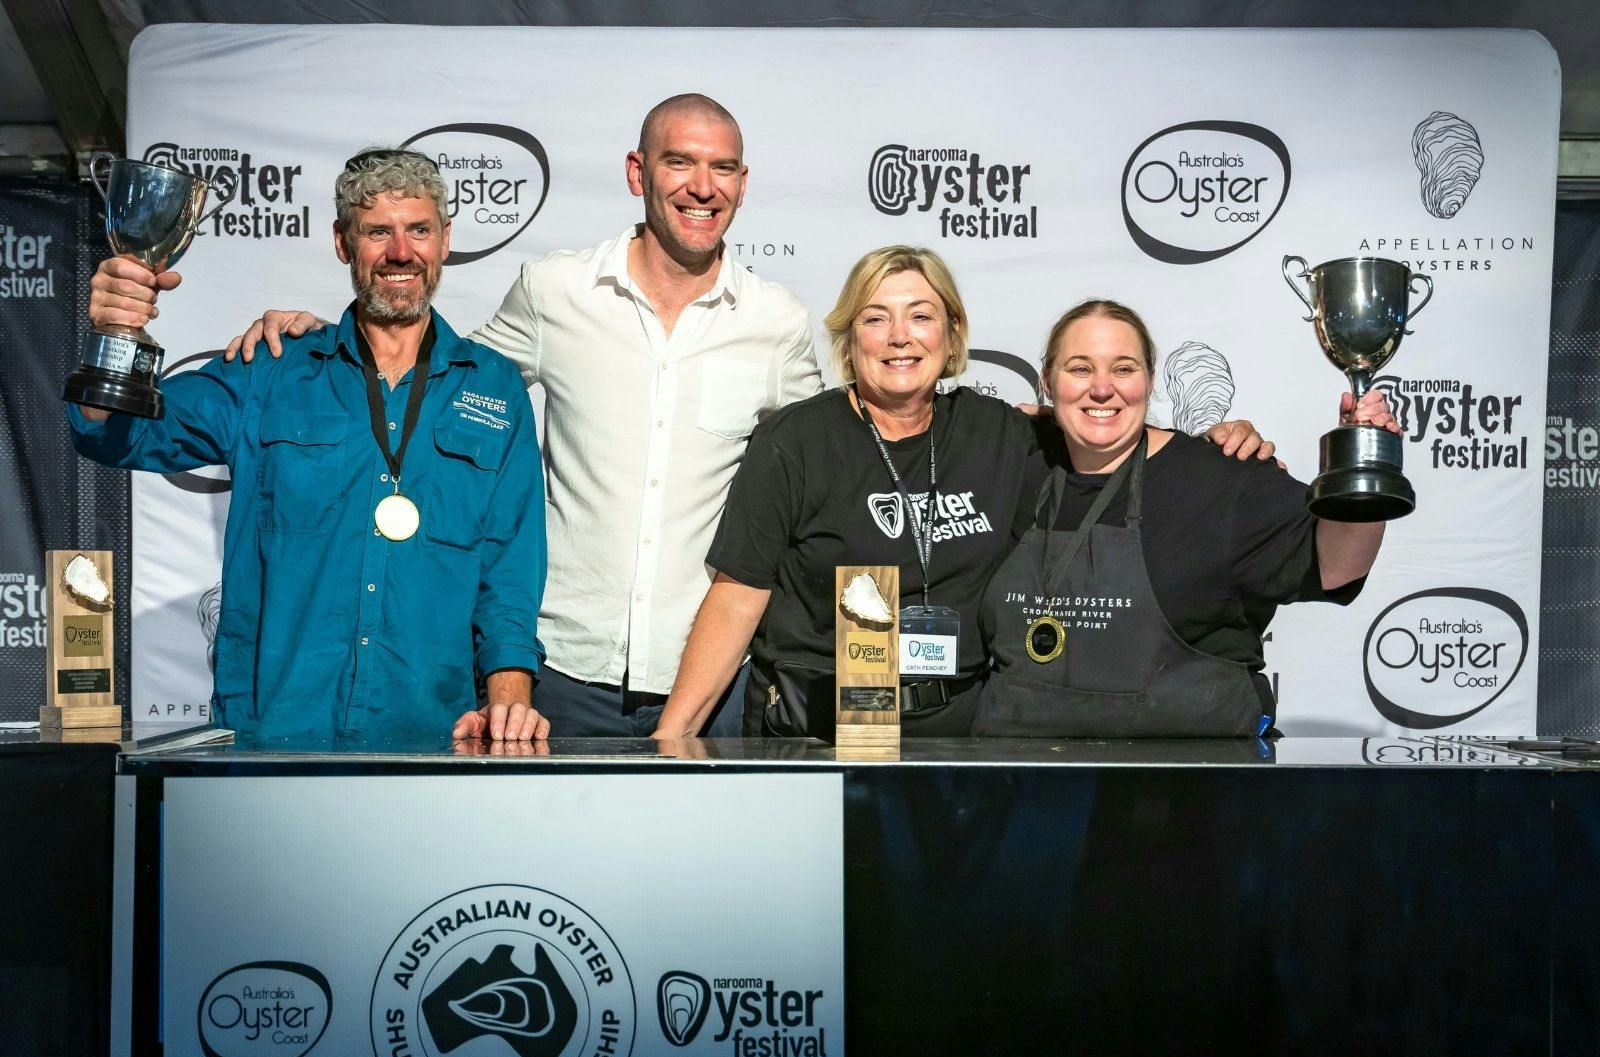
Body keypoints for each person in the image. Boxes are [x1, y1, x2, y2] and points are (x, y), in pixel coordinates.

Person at [204, 95, 822, 737]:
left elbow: (820, 482)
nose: (703, 187)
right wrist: (325, 338)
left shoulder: (776, 324)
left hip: (713, 682)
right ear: (637, 173)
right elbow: (427, 377)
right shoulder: (554, 291)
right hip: (562, 678)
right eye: (680, 162)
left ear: (742, 182)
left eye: (722, 167)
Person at [653, 248, 1278, 739]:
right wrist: (672, 737)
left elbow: (1099, 424)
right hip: (822, 730)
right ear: (848, 338)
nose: (900, 336)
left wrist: (1215, 446)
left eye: (921, 316)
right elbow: (736, 599)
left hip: (959, 733)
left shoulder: (998, 433)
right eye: (876, 318)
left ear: (952, 336)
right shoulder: (796, 442)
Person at [73, 148, 548, 743]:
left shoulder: (494, 388)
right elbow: (117, 434)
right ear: (343, 243)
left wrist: (509, 707)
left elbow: (510, 572)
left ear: (445, 240)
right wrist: (117, 334)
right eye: (377, 232)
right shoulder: (270, 368)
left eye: (419, 230)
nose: (401, 252)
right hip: (275, 735)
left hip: (432, 736)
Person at [971, 299, 1396, 737]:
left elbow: (1336, 566)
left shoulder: (1220, 475)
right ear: (1048, 381)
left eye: (1123, 369)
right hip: (1019, 769)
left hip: (1190, 772)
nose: (1101, 388)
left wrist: (1361, 469)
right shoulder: (1012, 467)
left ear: (1150, 380)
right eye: (1079, 369)